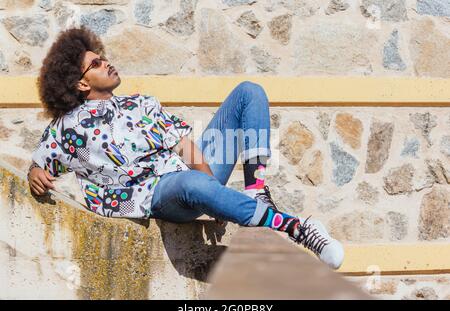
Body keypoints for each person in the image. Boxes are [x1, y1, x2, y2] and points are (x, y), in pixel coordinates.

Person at [28, 27, 344, 270]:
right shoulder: (67, 130)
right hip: (158, 196)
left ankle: (257, 191)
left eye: (102, 57)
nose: (107, 63)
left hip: (190, 178)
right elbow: (40, 163)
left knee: (249, 92)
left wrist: (211, 193)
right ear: (82, 84)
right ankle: (297, 228)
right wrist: (35, 173)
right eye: (96, 63)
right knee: (190, 182)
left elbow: (185, 148)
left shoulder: (141, 103)